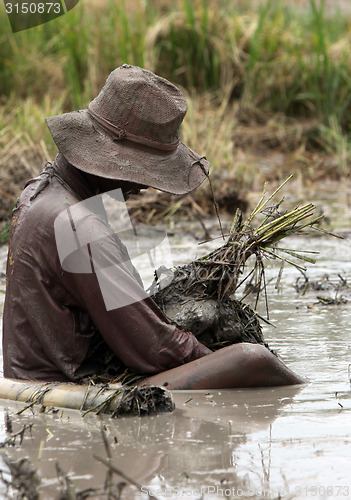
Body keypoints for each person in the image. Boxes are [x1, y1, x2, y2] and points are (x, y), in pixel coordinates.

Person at [2, 65, 306, 389]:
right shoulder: (82, 227)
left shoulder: (42, 191)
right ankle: (309, 396)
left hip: (28, 377)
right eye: (142, 172)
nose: (146, 186)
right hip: (66, 389)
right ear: (113, 159)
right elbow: (154, 348)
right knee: (252, 360)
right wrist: (215, 356)